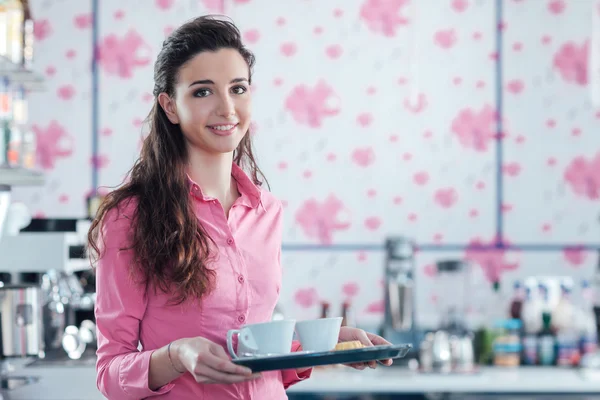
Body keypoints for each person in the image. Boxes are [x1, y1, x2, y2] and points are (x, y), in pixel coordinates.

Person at [88, 15, 393, 400]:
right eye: (203, 92)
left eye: (238, 88)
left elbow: (255, 359)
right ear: (169, 106)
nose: (226, 108)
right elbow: (110, 372)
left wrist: (323, 344)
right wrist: (177, 355)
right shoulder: (129, 216)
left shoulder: (268, 211)